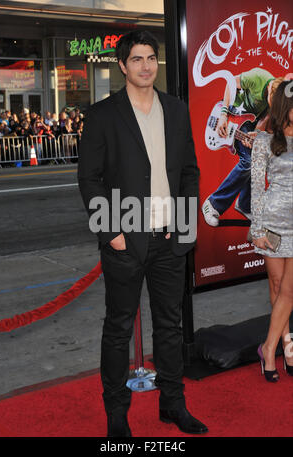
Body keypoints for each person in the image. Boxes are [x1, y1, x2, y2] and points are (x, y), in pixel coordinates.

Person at [78, 30, 208, 437]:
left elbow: (188, 171)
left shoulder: (176, 109)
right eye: (137, 59)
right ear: (122, 65)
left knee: (169, 327)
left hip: (170, 237)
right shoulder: (102, 115)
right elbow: (89, 179)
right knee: (118, 329)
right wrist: (110, 233)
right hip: (124, 239)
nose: (146, 66)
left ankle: (173, 404)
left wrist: (185, 227)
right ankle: (117, 413)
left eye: (151, 58)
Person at [202, 68, 285, 226]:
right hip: (232, 114)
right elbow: (230, 84)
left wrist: (254, 138)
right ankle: (213, 204)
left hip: (247, 124)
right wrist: (223, 115)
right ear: (271, 93)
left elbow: (261, 126)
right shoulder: (258, 77)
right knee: (247, 161)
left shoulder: (275, 104)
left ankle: (244, 204)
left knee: (256, 158)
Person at [250, 81, 293, 382]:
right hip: (273, 224)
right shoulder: (264, 142)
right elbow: (255, 187)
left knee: (289, 291)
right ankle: (287, 347)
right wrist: (256, 229)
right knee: (277, 287)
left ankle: (268, 347)